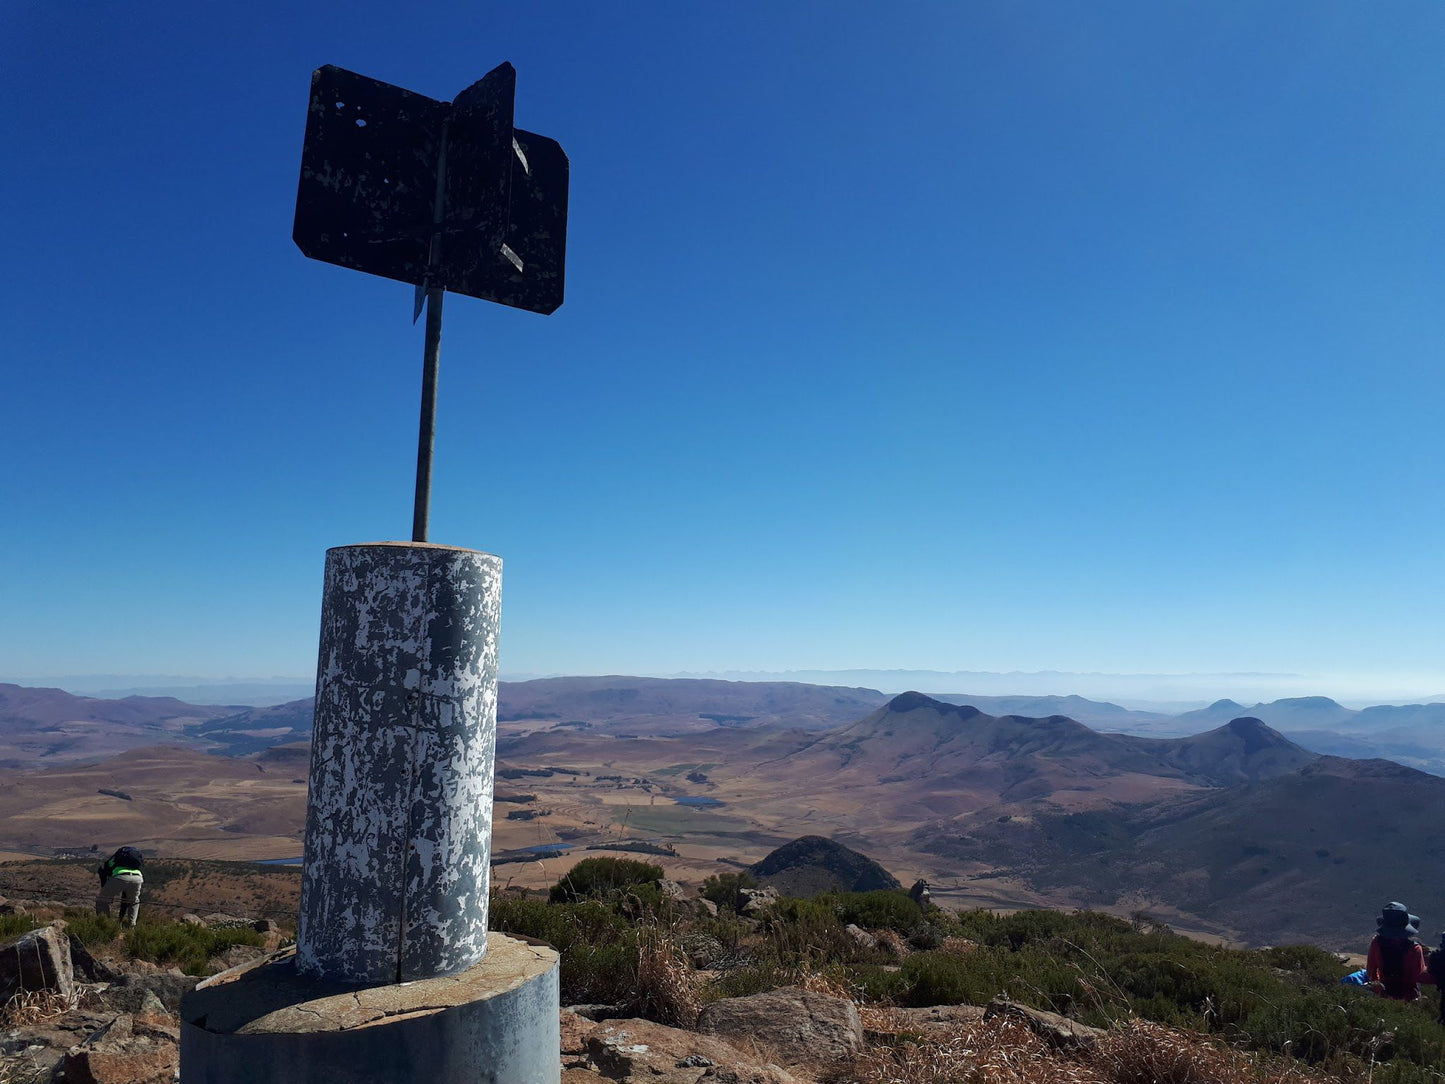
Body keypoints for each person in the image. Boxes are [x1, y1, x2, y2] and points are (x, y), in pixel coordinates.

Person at [1366, 901, 1434, 1001]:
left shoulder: (1376, 943)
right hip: (1409, 998)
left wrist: (1378, 989)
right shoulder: (1414, 950)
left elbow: (1371, 971)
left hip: (1383, 995)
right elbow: (1419, 976)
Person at [95, 845, 145, 928]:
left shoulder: (118, 856)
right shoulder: (135, 859)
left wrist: (104, 885)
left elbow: (107, 867)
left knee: (102, 901)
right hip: (137, 878)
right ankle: (131, 926)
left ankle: (105, 924)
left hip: (120, 877)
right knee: (133, 902)